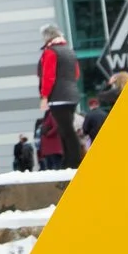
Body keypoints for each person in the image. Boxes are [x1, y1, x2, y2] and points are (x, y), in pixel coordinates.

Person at [38, 23, 90, 170]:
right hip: (72, 94)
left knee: (66, 130)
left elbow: (49, 76)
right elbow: (77, 73)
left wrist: (44, 97)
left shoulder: (50, 52)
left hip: (58, 96)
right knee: (65, 128)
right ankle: (68, 160)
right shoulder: (69, 51)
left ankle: (73, 161)